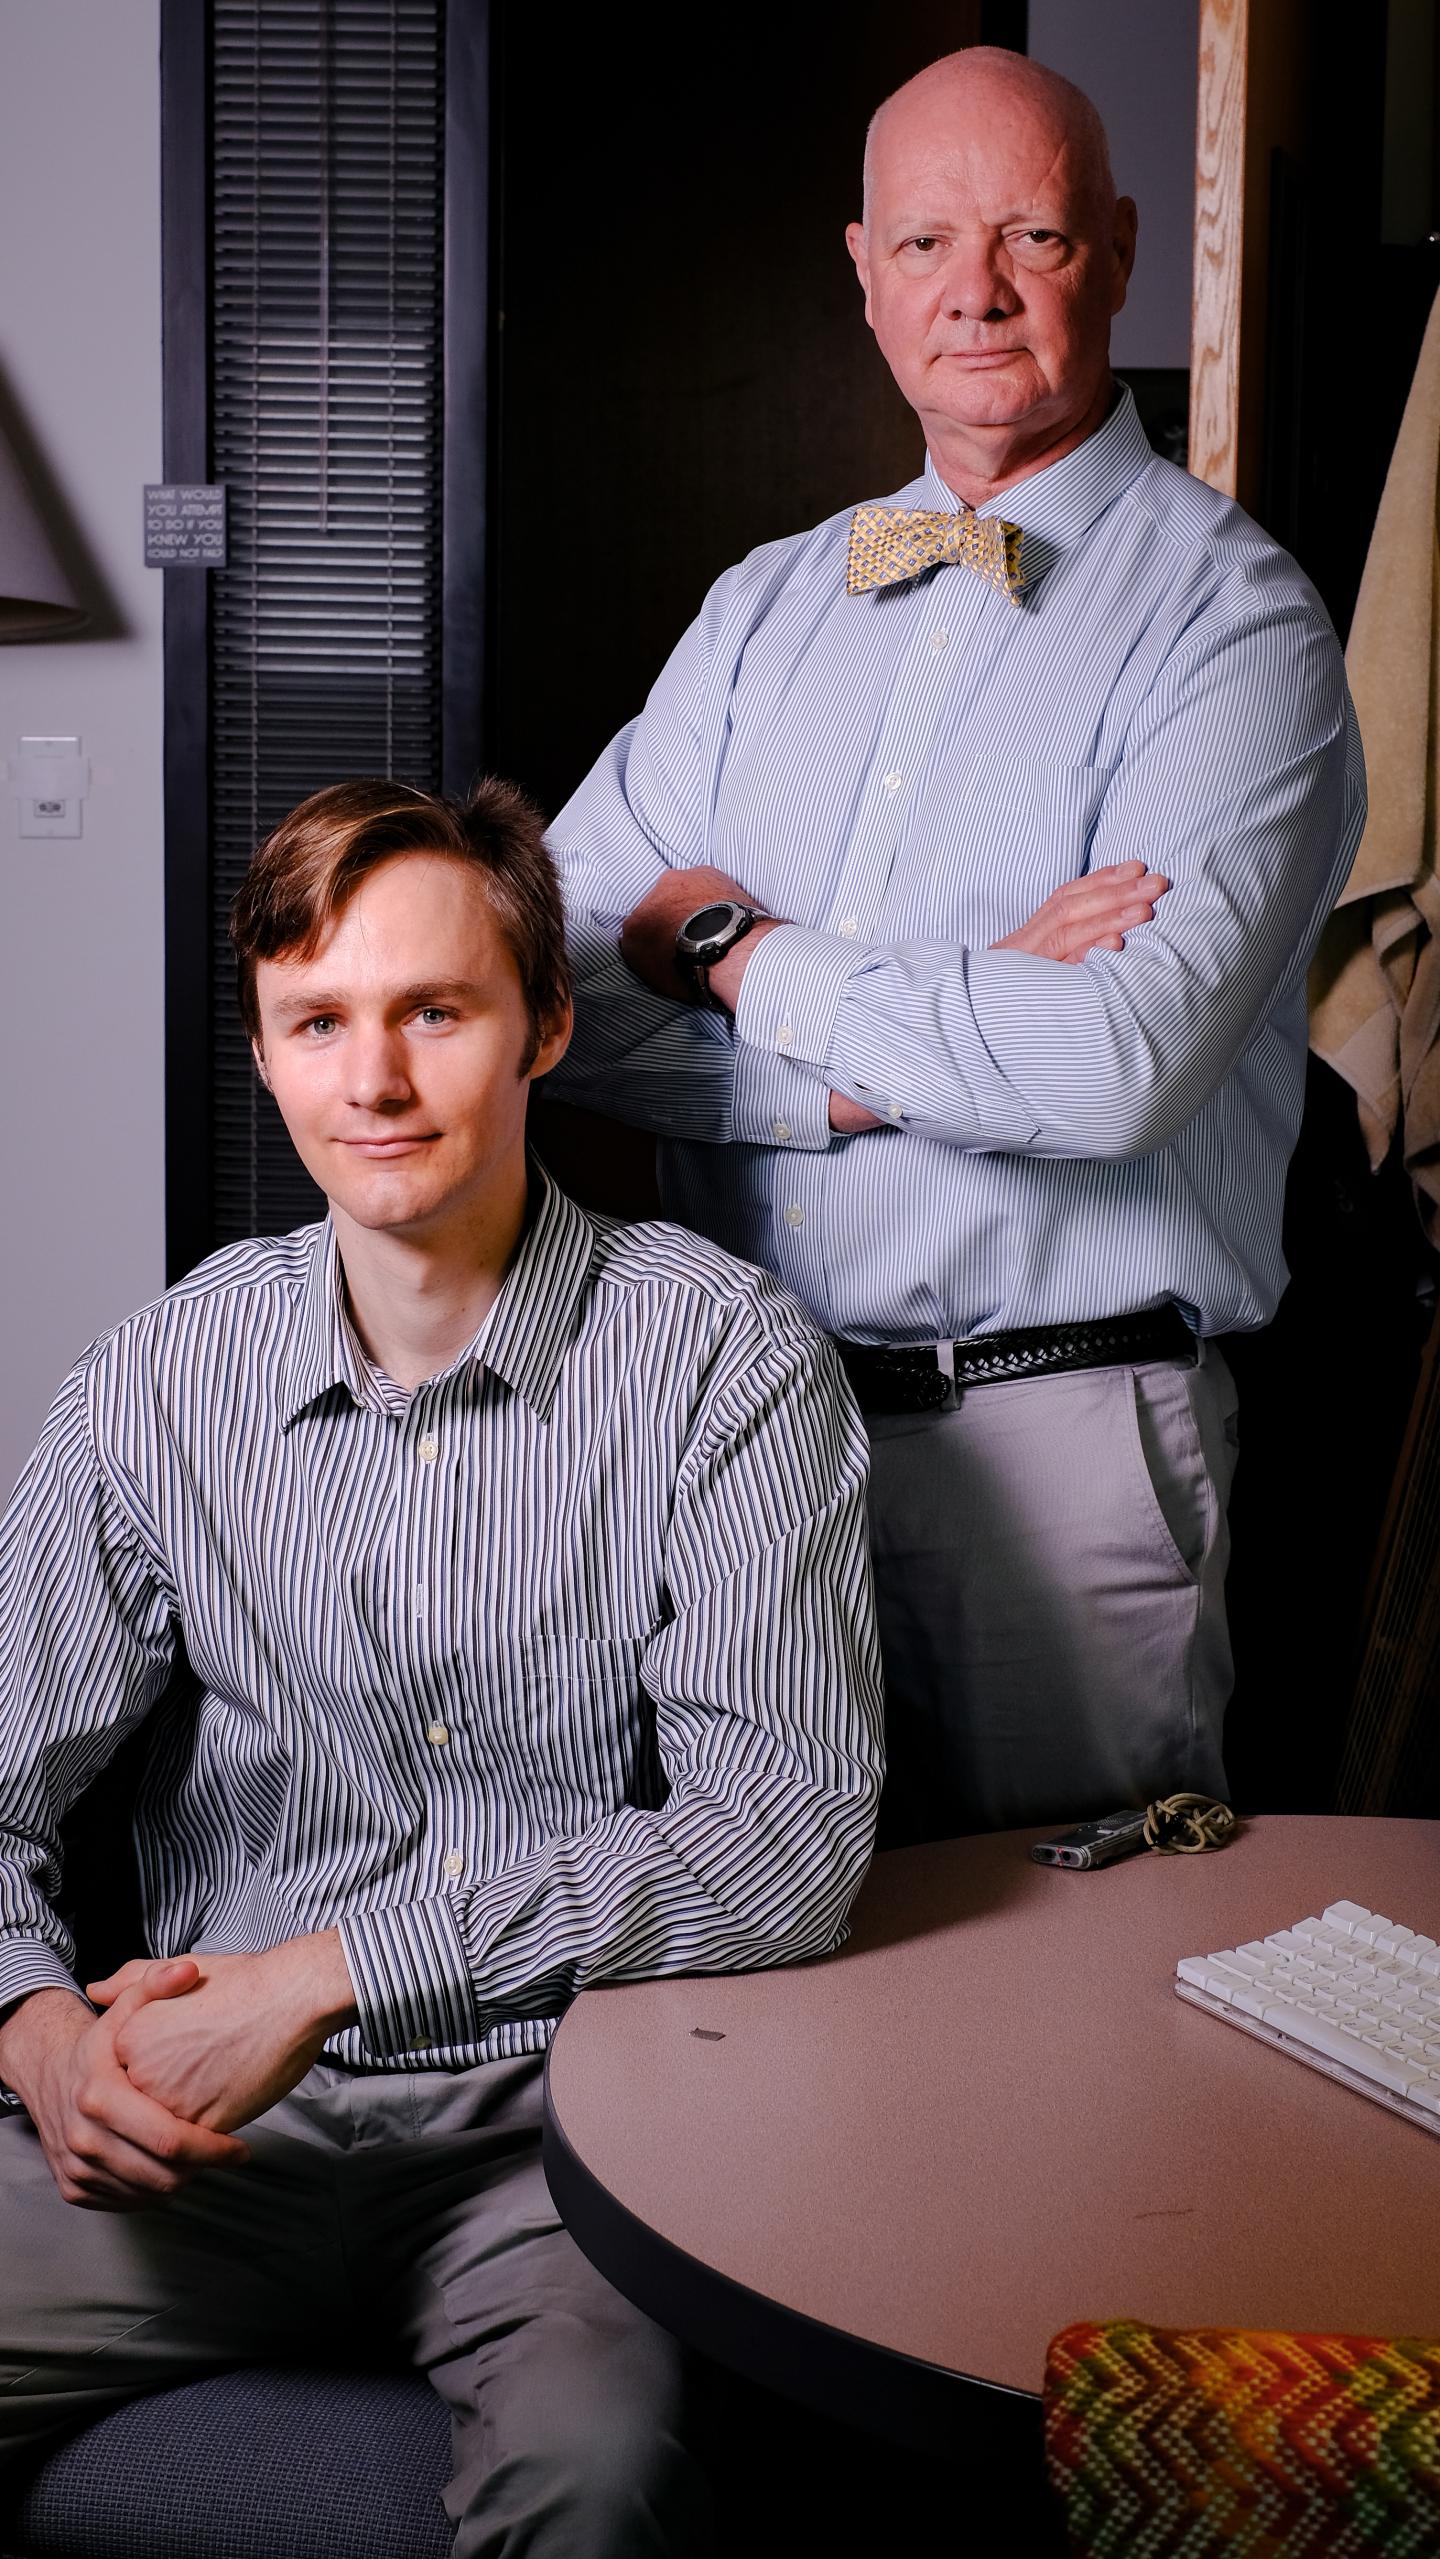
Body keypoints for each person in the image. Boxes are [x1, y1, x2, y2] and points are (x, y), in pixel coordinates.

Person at [0, 778, 883, 2558]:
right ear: (263, 1053)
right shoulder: (157, 1380)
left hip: (568, 2142)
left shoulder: (726, 1365)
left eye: (434, 1012)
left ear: (544, 1024)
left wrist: (323, 1976)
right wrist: (31, 2031)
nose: (375, 1082)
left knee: (596, 2487)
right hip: (205, 2136)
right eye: (318, 1022)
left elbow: (779, 1841)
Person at [543, 45, 1366, 1842]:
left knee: (1073, 2057)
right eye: (925, 242)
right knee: (770, 2024)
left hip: (1064, 1457)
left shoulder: (1241, 631)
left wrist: (739, 946)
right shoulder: (758, 614)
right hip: (733, 1451)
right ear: (862, 271)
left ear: (1125, 250)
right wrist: (882, 1071)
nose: (975, 290)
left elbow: (1110, 1068)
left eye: (1033, 236)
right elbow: (553, 995)